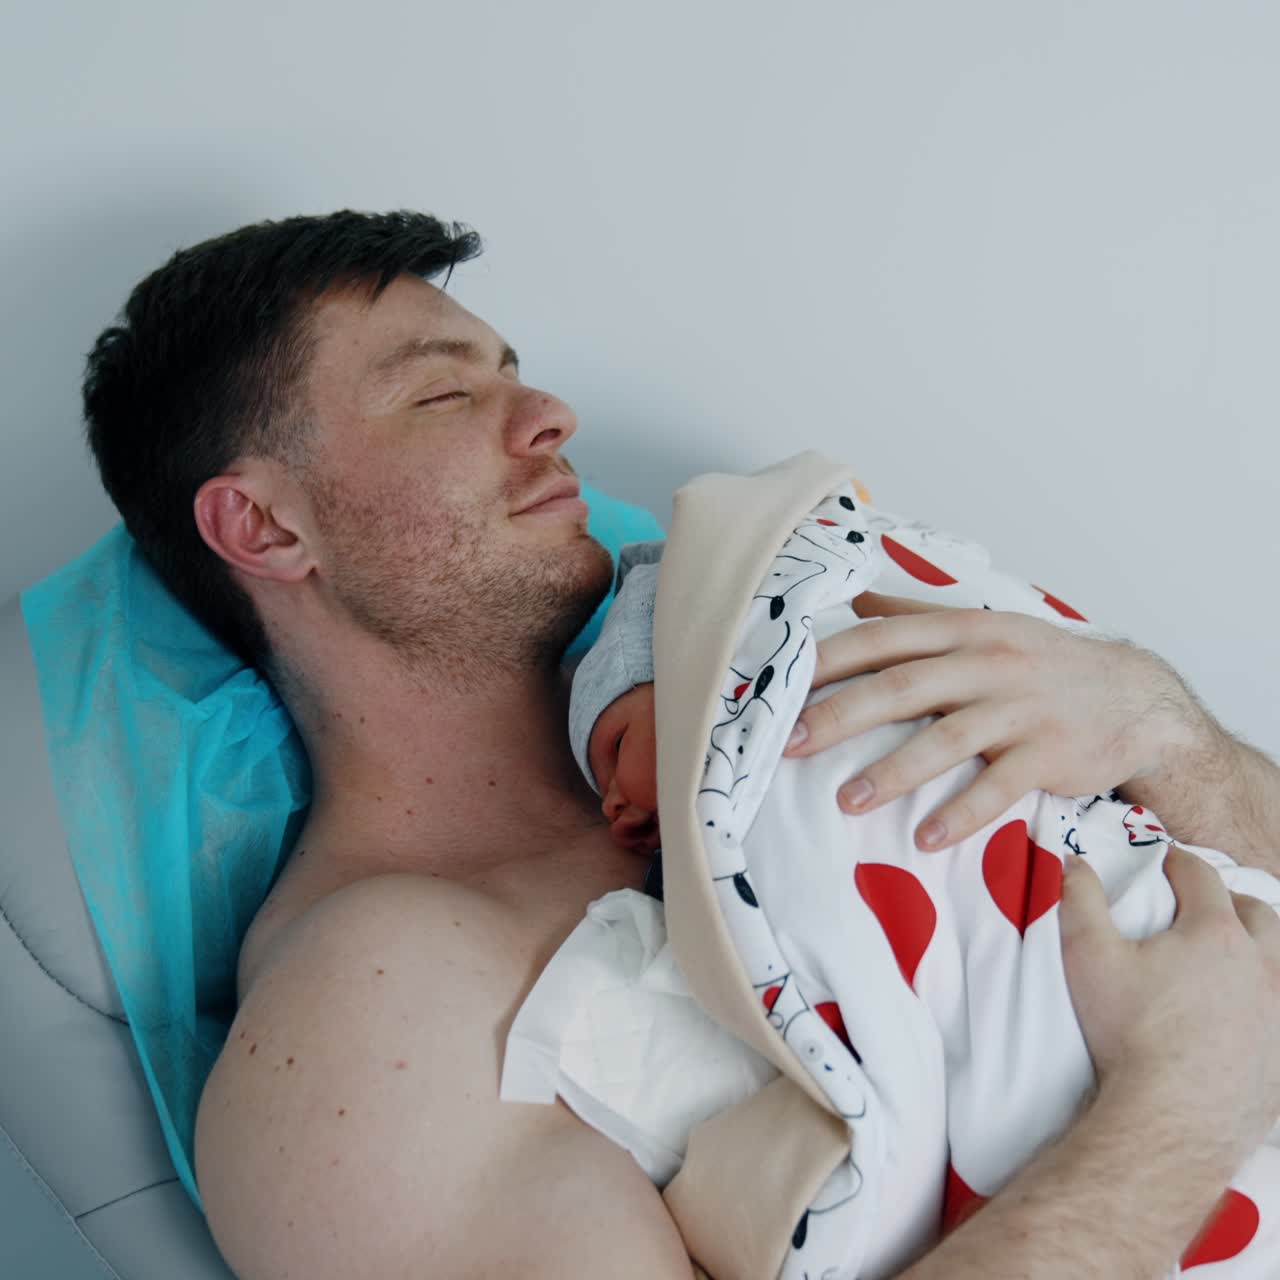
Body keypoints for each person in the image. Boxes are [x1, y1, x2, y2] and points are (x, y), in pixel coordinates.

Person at [77, 209, 1280, 1279]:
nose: (549, 417)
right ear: (265, 525)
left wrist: (1153, 720)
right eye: (444, 394)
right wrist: (1182, 1099)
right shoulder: (367, 1024)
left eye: (516, 373)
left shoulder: (764, 679)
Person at [551, 524, 1280, 1273]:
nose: (618, 800)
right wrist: (1193, 1089)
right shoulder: (525, 1005)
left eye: (625, 741)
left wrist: (1164, 726)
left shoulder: (847, 610)